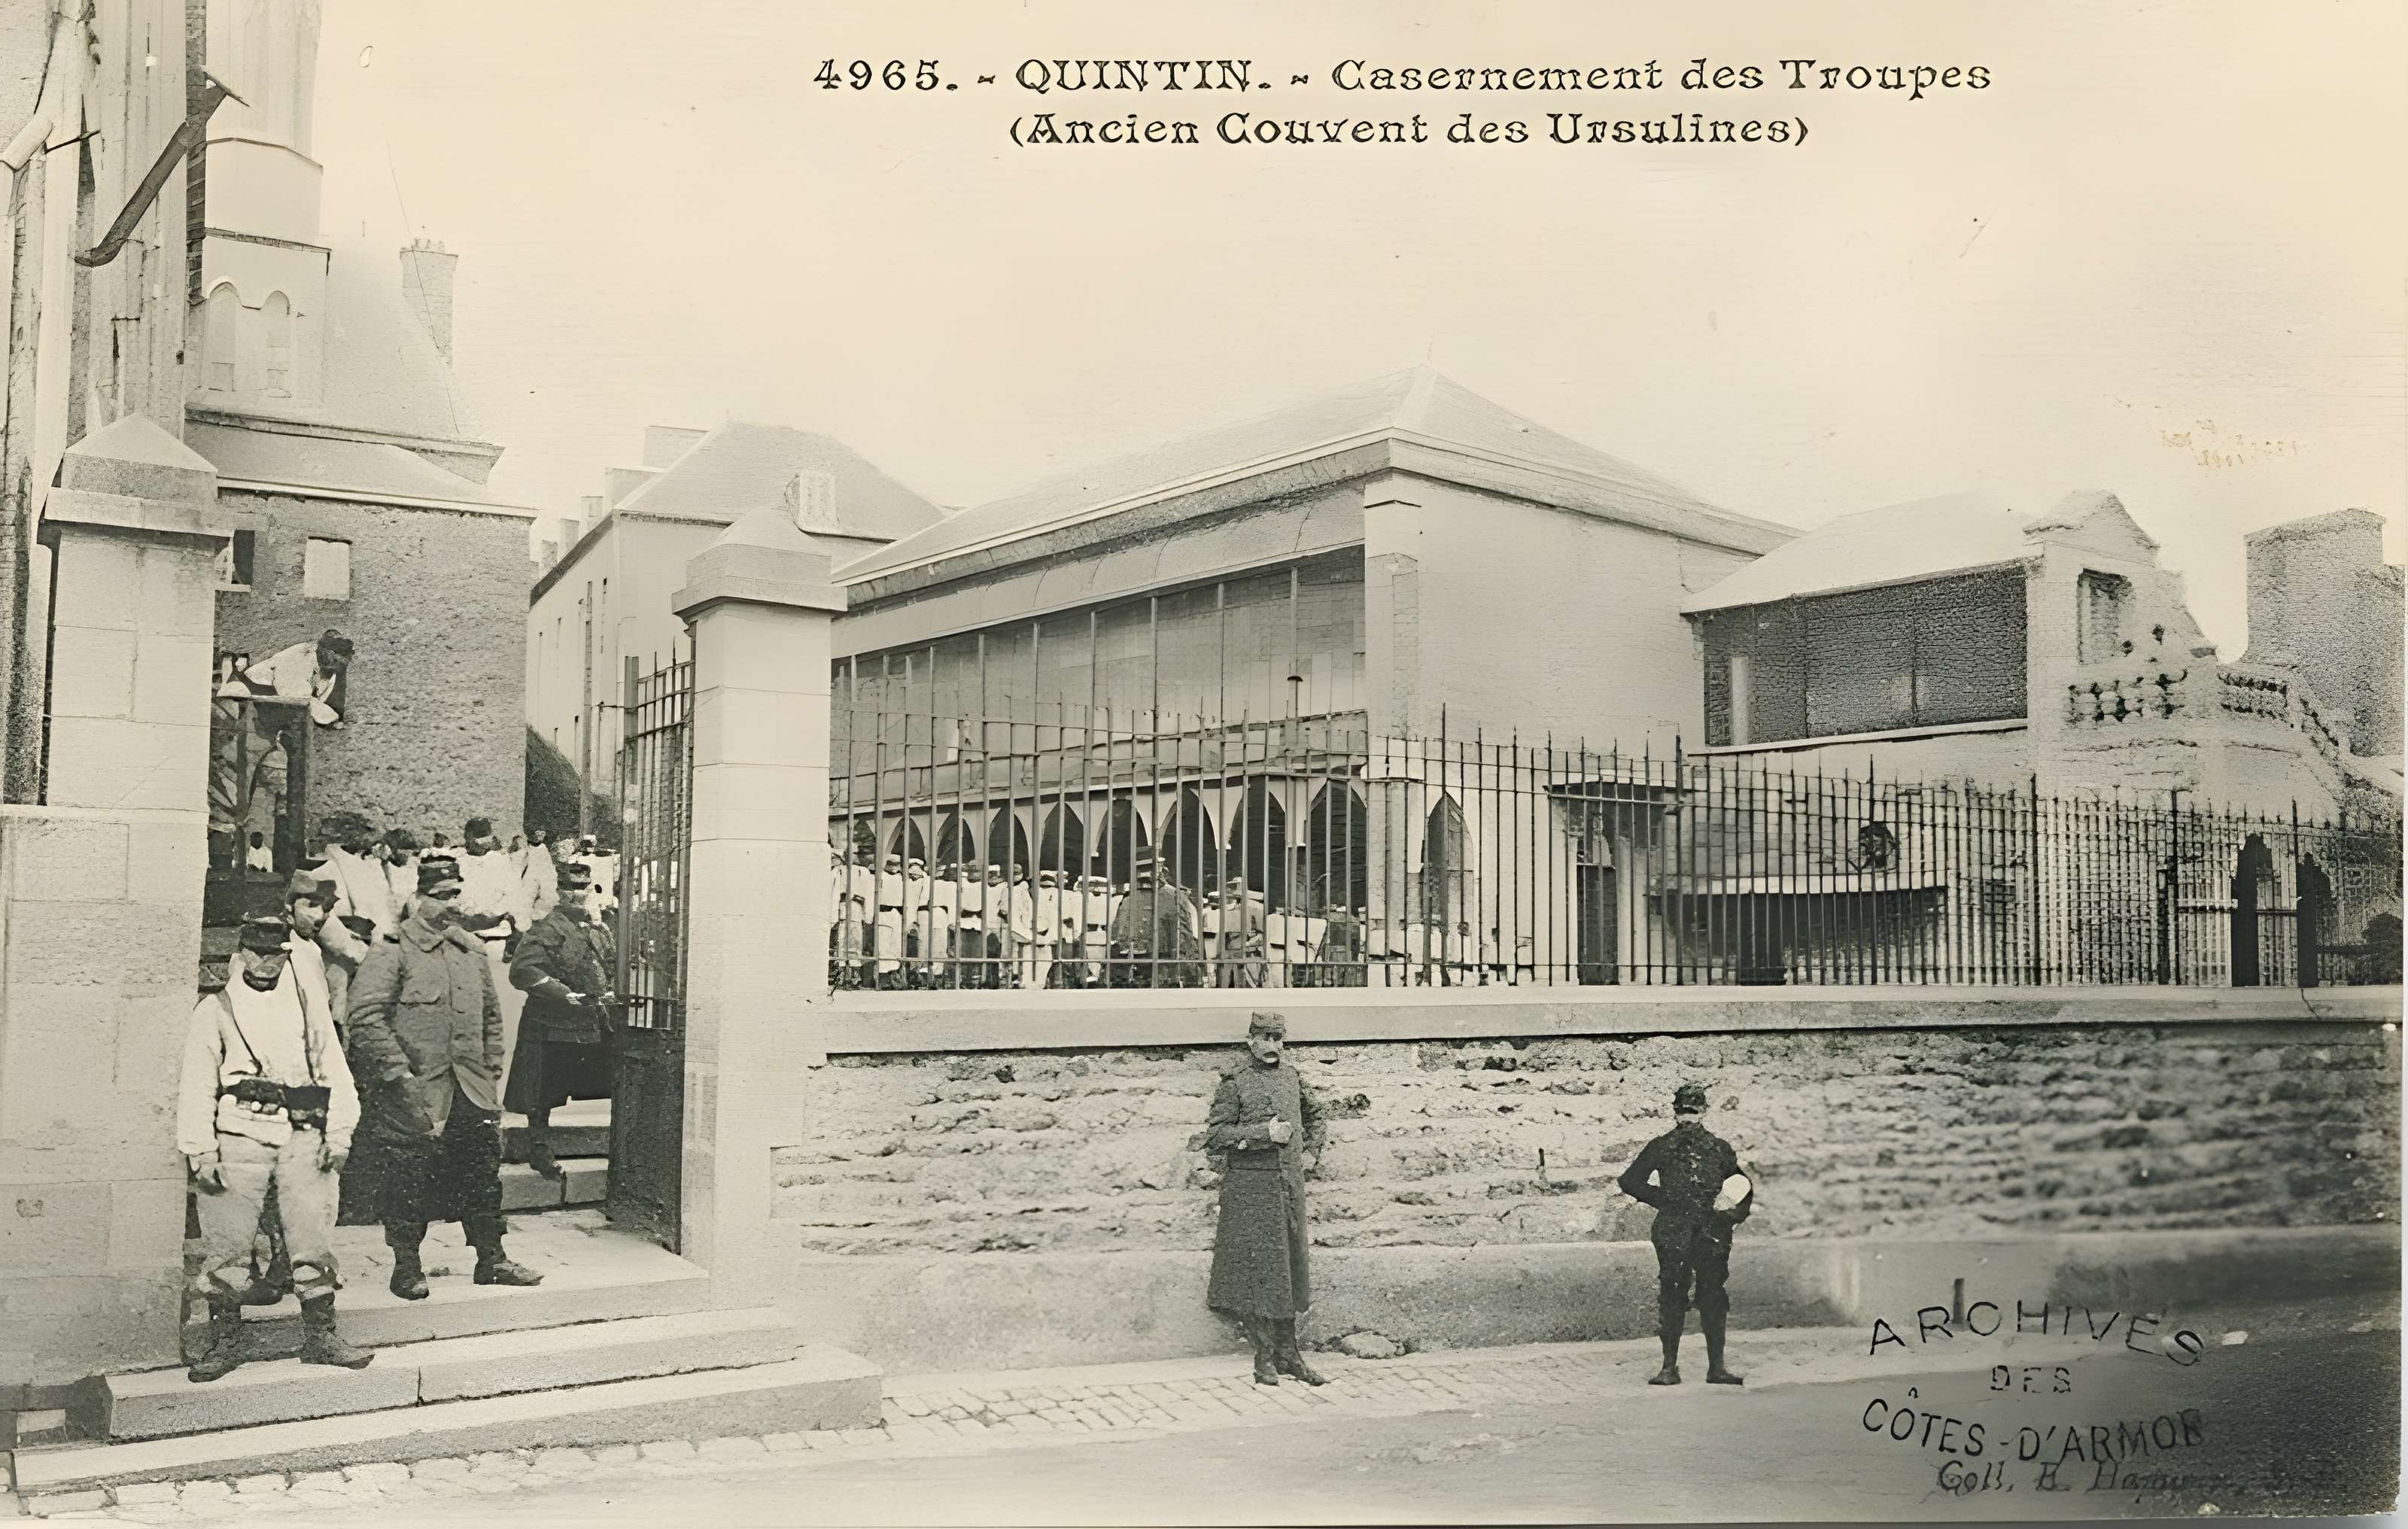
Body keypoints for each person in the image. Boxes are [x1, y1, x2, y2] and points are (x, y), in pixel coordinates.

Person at [178, 913, 369, 1382]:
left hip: (303, 1130)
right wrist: (200, 1150)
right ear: (240, 955)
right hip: (238, 1134)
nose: (266, 964)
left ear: (288, 956)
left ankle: (321, 1337)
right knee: (228, 1242)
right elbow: (197, 1082)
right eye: (257, 954)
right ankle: (226, 1341)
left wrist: (340, 1134)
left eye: (276, 955)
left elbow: (335, 1074)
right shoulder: (216, 1009)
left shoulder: (309, 1010)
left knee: (312, 1235)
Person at [346, 855, 543, 1299]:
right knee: (407, 1179)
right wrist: (399, 1075)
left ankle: (492, 1260)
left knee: (481, 1174)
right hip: (413, 1091)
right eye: (439, 897)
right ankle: (406, 1266)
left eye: (455, 894)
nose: (449, 904)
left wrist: (491, 1070)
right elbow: (365, 1017)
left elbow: (492, 1018)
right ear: (417, 898)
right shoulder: (393, 949)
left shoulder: (470, 952)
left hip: (471, 1090)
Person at [1205, 1011, 1328, 1387]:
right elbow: (1217, 1135)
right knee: (1261, 1274)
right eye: (1265, 1038)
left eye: (1278, 1038)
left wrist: (1310, 1153)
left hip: (1288, 1189)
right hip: (1251, 1191)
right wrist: (1263, 1133)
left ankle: (1290, 1355)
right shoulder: (1236, 1084)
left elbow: (1316, 1114)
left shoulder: (1292, 1078)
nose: (1273, 1046)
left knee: (1290, 1270)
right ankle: (1264, 1358)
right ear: (1251, 1041)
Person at [1617, 1083, 1756, 1387]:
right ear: (1675, 1113)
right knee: (1672, 1292)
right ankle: (1669, 1368)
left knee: (1714, 1294)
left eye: (1693, 1111)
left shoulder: (1720, 1149)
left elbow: (1743, 1189)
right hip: (1674, 1230)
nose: (1688, 1117)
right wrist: (1665, 1201)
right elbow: (1629, 1180)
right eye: (1683, 1111)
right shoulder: (1662, 1146)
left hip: (1712, 1232)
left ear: (1704, 1112)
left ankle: (1717, 1369)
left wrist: (1731, 1217)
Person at [506, 860, 617, 1180]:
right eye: (569, 887)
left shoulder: (599, 928)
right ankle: (539, 1150)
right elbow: (522, 971)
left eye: (582, 887)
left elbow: (608, 968)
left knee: (600, 1082)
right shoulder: (546, 928)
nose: (576, 894)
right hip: (551, 1022)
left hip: (591, 1020)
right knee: (542, 1091)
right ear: (558, 890)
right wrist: (562, 993)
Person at [455, 818, 532, 1087]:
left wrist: (508, 921)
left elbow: (516, 901)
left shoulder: (501, 864)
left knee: (496, 1010)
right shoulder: (457, 861)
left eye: (484, 837)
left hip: (494, 942)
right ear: (466, 838)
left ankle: (493, 1071)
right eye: (475, 837)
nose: (480, 843)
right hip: (462, 941)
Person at [1108, 852, 1204, 988]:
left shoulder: (1129, 899)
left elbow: (1119, 934)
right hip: (1155, 965)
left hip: (1148, 964)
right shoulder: (1173, 896)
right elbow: (1184, 938)